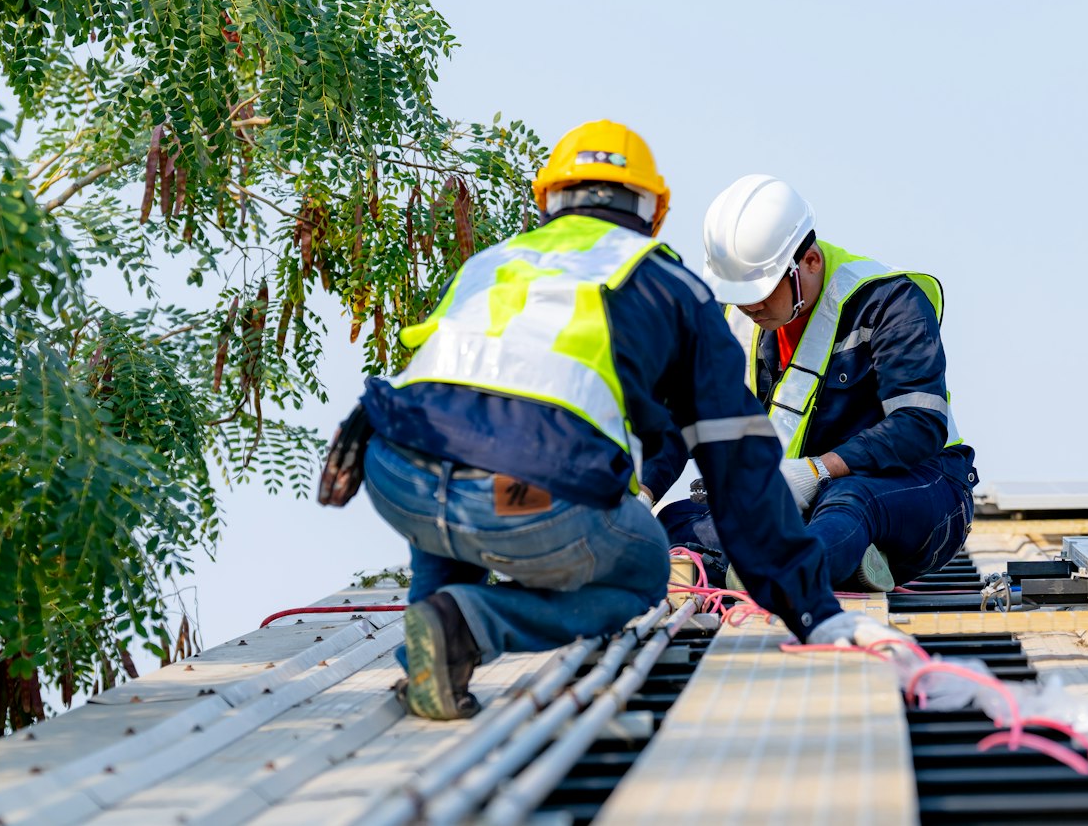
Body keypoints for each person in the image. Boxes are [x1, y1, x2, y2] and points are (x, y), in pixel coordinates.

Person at [326, 121, 902, 719]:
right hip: (517, 499)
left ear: (546, 198)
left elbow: (439, 385)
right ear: (653, 212)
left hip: (398, 475)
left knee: (452, 475)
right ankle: (467, 627)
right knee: (645, 565)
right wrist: (812, 610)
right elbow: (739, 474)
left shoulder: (495, 263)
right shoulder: (667, 285)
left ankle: (434, 656)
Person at [654, 175, 976, 595]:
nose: (751, 305)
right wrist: (642, 492)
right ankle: (834, 562)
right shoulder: (733, 317)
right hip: (795, 505)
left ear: (809, 261)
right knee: (678, 520)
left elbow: (919, 423)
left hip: (918, 493)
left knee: (850, 503)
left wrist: (817, 471)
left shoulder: (891, 303)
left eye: (762, 291)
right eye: (738, 293)